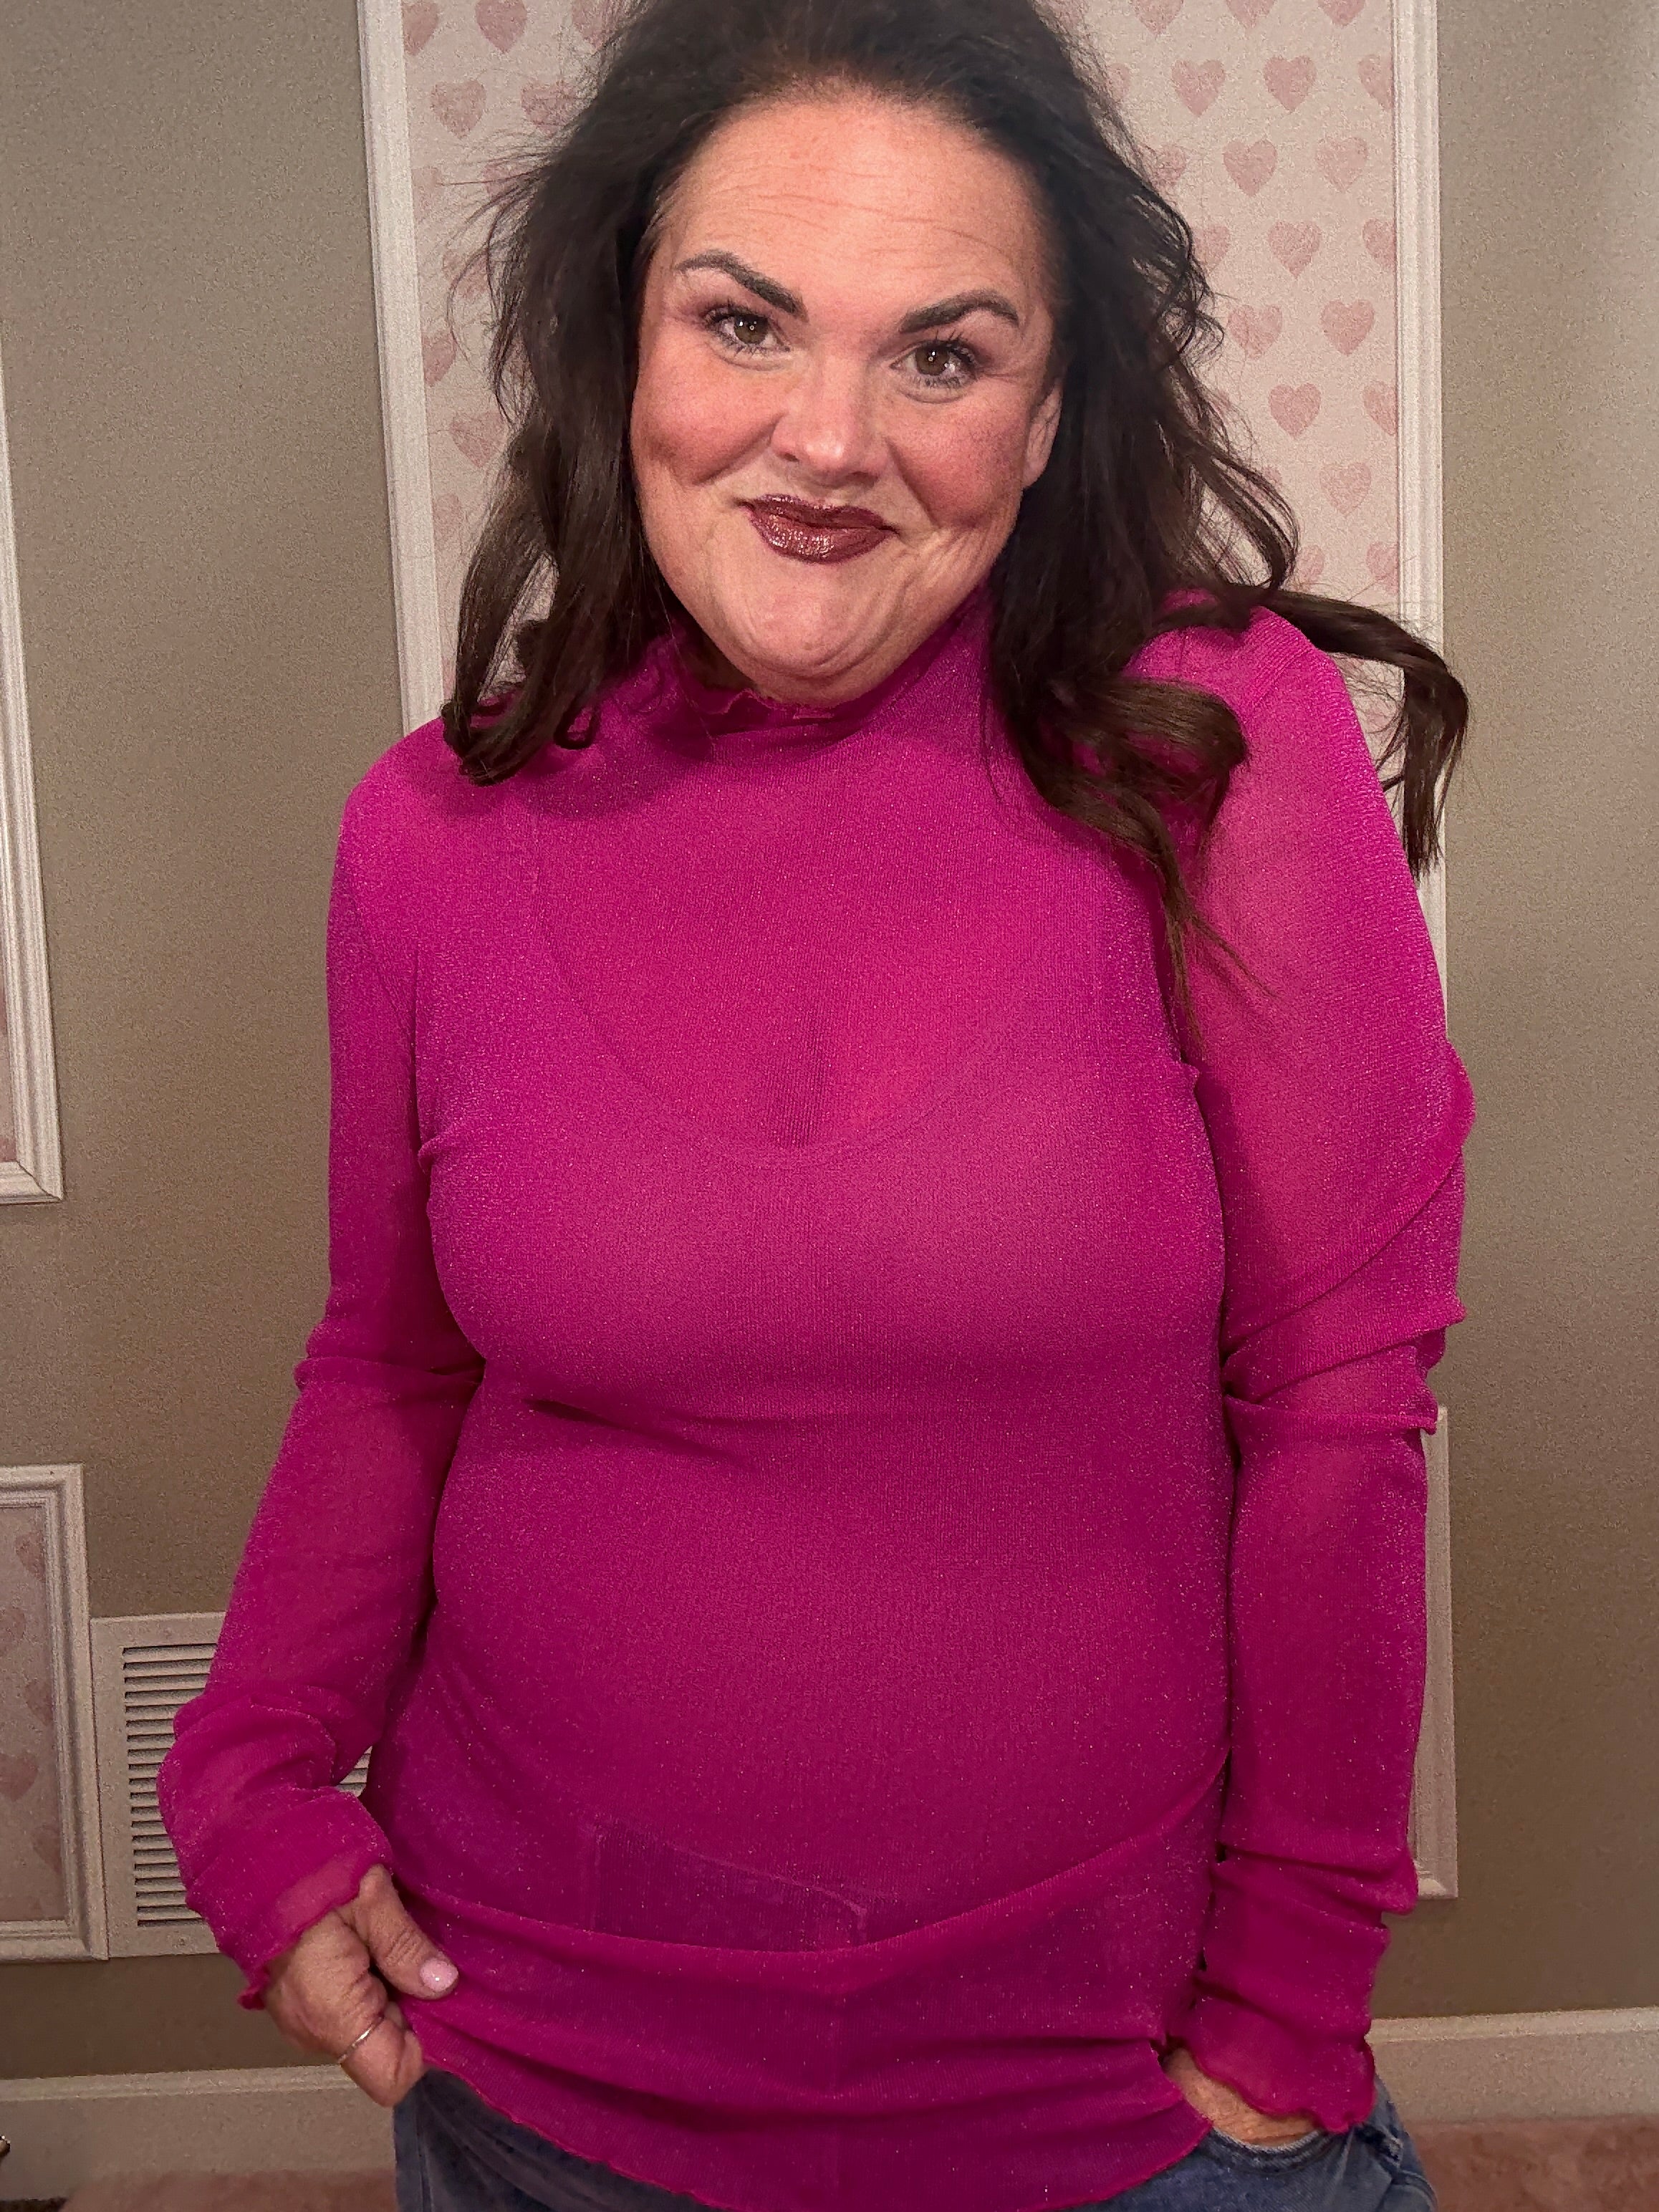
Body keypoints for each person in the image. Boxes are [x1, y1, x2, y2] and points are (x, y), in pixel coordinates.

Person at [158, 0, 1471, 2206]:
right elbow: (390, 1367)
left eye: (941, 355)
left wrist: (1284, 2004)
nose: (826, 439)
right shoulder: (428, 834)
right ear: (622, 344)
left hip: (1101, 2096)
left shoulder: (1210, 742)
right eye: (744, 322)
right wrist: (253, 1788)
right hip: (535, 2075)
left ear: (1047, 412)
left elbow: (1342, 1405)